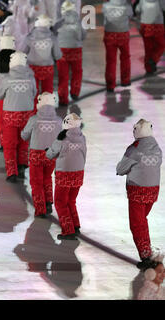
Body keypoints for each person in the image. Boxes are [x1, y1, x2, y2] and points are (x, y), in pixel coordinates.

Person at [116, 119, 162, 270]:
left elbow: (121, 169)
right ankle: (148, 251)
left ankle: (146, 256)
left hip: (137, 191)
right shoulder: (157, 149)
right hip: (152, 191)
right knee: (142, 221)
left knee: (137, 224)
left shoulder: (134, 149)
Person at [0, 52, 37, 182]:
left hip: (10, 115)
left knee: (9, 144)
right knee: (23, 141)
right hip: (26, 115)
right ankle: (22, 164)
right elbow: (34, 93)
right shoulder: (31, 78)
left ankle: (11, 172)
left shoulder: (6, 79)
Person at [46, 113, 86, 240]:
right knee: (71, 200)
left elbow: (50, 154)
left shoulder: (61, 139)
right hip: (78, 173)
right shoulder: (82, 138)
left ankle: (68, 230)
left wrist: (48, 151)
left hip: (64, 173)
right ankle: (75, 225)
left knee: (60, 202)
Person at [21, 92, 62, 217]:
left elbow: (24, 135)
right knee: (47, 178)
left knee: (36, 182)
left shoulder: (34, 119)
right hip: (51, 154)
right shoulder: (59, 121)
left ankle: (40, 208)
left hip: (36, 154)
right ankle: (49, 202)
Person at [23, 14, 62, 97]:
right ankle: (47, 107)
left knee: (33, 90)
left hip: (32, 67)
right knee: (47, 89)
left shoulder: (29, 37)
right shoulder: (52, 37)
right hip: (47, 68)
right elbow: (57, 55)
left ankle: (33, 108)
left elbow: (23, 52)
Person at [57, 0, 86, 106]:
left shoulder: (58, 21)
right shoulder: (78, 20)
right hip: (76, 49)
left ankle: (62, 98)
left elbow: (53, 34)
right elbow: (83, 34)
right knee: (77, 72)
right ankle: (75, 92)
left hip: (62, 50)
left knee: (63, 75)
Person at [102, 0, 133, 92]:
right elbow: (130, 16)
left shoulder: (105, 6)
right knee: (125, 57)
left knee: (111, 60)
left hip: (109, 34)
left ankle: (110, 84)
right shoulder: (127, 6)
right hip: (123, 33)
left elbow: (105, 18)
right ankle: (125, 80)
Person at [135, 0, 165, 75]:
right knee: (161, 45)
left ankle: (149, 68)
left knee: (148, 48)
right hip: (157, 25)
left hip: (145, 25)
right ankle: (153, 60)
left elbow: (137, 9)